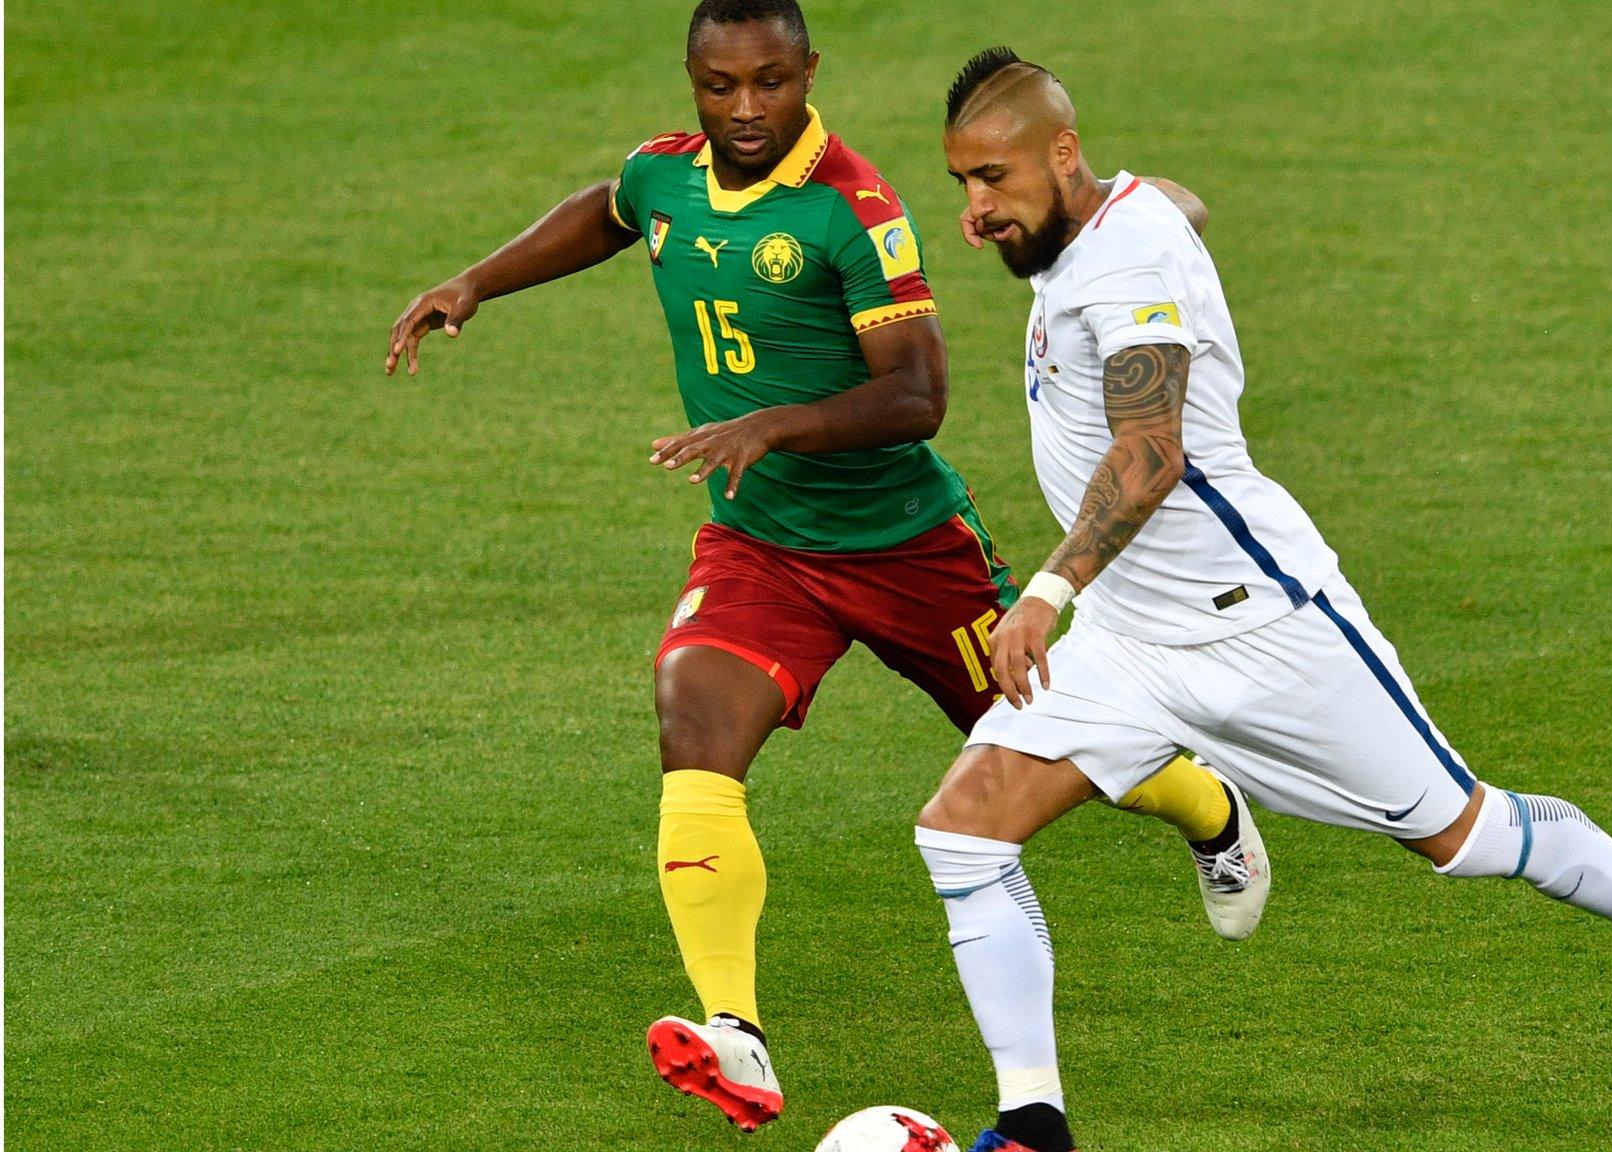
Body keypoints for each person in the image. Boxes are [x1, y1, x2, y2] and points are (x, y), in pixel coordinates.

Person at [383, 2, 1270, 1134]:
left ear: (808, 72)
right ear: (691, 82)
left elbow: (917, 395)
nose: (742, 109)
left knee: (1057, 742)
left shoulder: (855, 212)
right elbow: (607, 214)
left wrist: (775, 426)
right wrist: (475, 282)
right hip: (762, 546)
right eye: (717, 86)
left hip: (905, 550)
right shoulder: (667, 176)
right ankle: (735, 1034)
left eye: (767, 82)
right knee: (692, 717)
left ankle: (1205, 803)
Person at [918, 48, 1612, 1152]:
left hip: (1264, 627)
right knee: (961, 833)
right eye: (962, 185)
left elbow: (1149, 451)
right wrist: (1157, 221)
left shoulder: (1116, 261)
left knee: (1465, 833)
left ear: (1063, 152)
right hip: (1131, 639)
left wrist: (1040, 596)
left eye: (992, 178)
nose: (976, 209)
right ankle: (1032, 1126)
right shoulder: (1099, 223)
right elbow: (1175, 202)